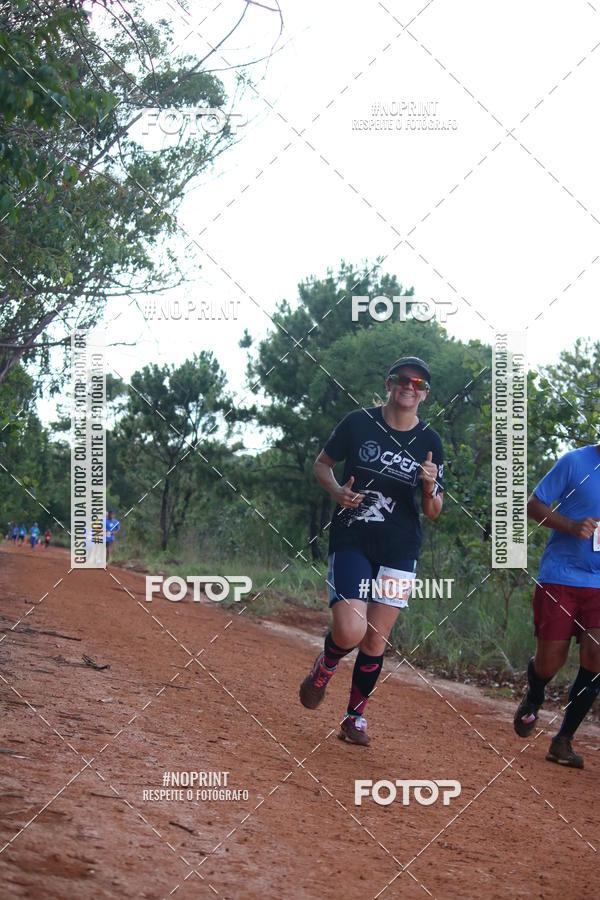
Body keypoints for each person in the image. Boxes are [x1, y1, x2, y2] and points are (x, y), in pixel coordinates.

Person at [299, 357, 444, 746]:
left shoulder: (430, 442)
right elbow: (322, 465)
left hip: (400, 547)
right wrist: (336, 491)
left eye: (418, 383)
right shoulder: (358, 423)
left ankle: (354, 717)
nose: (409, 387)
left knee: (376, 640)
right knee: (350, 630)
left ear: (425, 394)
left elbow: (433, 510)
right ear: (389, 384)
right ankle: (326, 665)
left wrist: (429, 487)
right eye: (402, 380)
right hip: (353, 537)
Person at [513, 443, 600, 768]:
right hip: (561, 576)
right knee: (550, 663)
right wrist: (571, 526)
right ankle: (536, 692)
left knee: (597, 655)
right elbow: (534, 505)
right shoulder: (575, 462)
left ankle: (563, 740)